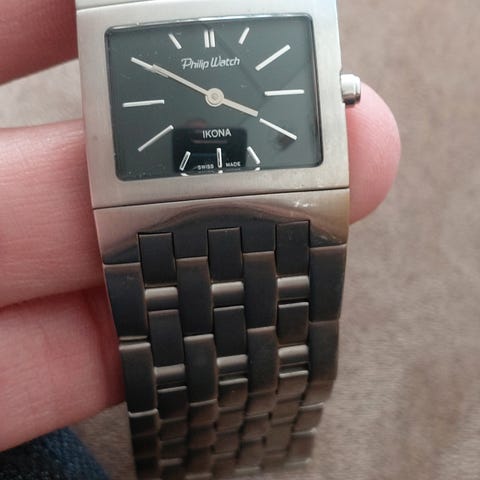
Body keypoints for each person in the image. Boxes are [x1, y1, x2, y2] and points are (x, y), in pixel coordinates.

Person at [0, 0, 401, 465]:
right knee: (173, 352)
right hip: (147, 218)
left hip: (285, 203)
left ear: (341, 92)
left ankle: (274, 436)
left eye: (217, 94)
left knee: (290, 341)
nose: (213, 98)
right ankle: (188, 449)